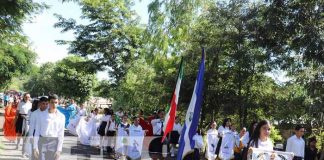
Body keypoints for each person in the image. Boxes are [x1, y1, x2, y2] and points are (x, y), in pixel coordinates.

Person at [33, 94, 65, 160]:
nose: (54, 104)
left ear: (58, 102)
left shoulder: (61, 116)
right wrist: (35, 147)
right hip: (42, 141)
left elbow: (61, 134)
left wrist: (59, 149)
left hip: (54, 142)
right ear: (49, 103)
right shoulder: (41, 115)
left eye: (56, 102)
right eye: (52, 102)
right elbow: (37, 131)